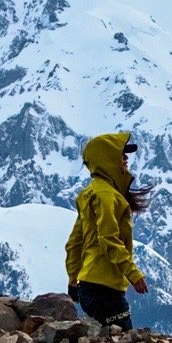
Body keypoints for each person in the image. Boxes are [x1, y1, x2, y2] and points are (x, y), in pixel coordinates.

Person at [64, 131, 151, 330]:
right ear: (107, 158)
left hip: (88, 286)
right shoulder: (107, 195)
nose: (126, 159)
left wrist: (73, 280)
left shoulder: (89, 193)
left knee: (107, 340)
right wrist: (133, 274)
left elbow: (74, 244)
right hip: (105, 289)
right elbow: (108, 239)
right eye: (121, 154)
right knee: (125, 340)